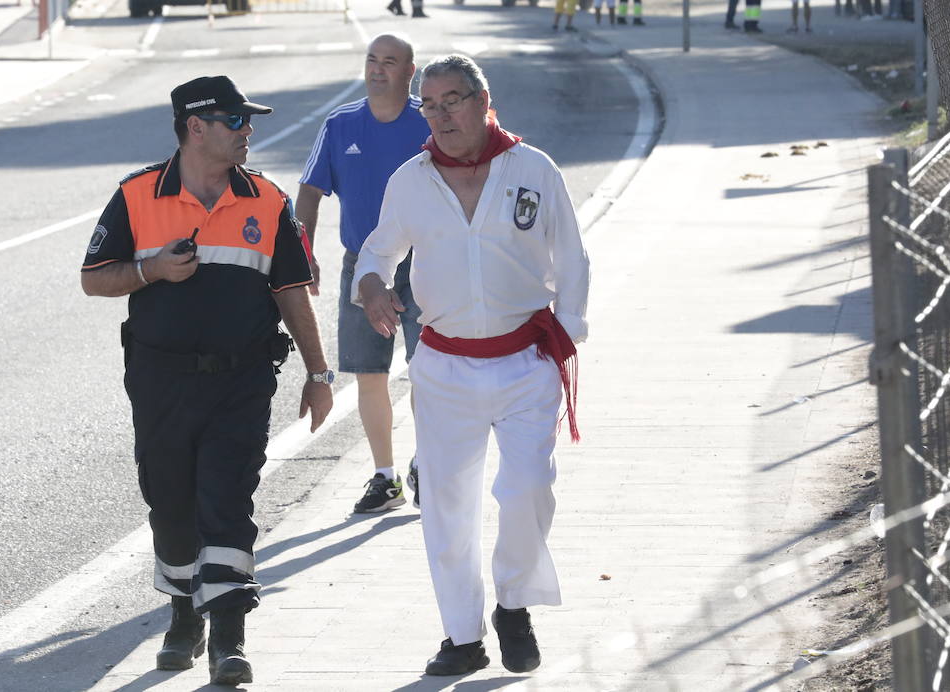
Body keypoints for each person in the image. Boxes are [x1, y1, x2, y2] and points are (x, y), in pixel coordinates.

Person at [82, 75, 333, 685]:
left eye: (249, 122)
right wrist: (152, 270)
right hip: (160, 382)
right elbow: (94, 277)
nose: (249, 131)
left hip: (241, 383)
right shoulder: (138, 195)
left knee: (226, 503)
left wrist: (319, 372)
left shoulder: (266, 201)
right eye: (237, 122)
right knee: (171, 505)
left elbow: (292, 290)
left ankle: (228, 638)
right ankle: (182, 616)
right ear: (197, 126)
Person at [354, 53, 589, 678]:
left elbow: (572, 260)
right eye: (428, 105)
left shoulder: (533, 169)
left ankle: (514, 601)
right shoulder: (411, 180)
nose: (440, 114)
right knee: (447, 507)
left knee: (529, 488)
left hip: (524, 363)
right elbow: (376, 252)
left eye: (452, 100)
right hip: (444, 367)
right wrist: (373, 287)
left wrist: (565, 333)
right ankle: (463, 637)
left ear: (484, 101)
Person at [297, 34, 431, 515]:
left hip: (427, 262)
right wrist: (304, 250)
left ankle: (428, 464)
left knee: (428, 372)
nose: (377, 70)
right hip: (362, 265)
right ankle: (385, 477)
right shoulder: (341, 125)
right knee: (368, 373)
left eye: (389, 63)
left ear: (409, 71)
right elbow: (309, 192)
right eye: (372, 60)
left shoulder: (428, 121)